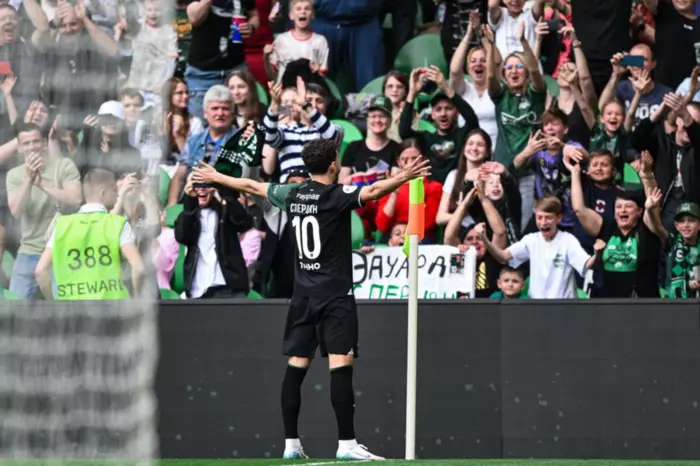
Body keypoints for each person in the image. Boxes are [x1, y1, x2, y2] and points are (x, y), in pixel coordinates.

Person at [191, 138, 430, 460]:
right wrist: (405, 176)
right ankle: (346, 444)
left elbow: (250, 185)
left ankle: (291, 445)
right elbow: (373, 191)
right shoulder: (336, 195)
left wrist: (217, 177)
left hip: (302, 296)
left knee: (296, 367)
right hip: (335, 296)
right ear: (333, 164)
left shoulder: (293, 193)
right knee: (340, 366)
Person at [34, 168, 145, 300]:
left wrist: (53, 302)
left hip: (72, 307)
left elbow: (40, 271)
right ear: (103, 193)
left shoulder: (62, 225)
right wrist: (137, 298)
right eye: (114, 190)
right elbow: (139, 267)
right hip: (113, 306)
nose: (117, 194)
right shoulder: (118, 223)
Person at [7, 122, 82, 299]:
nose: (32, 147)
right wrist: (28, 180)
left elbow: (76, 200)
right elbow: (16, 211)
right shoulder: (14, 175)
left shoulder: (64, 165)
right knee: (14, 307)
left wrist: (42, 184)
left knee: (64, 306)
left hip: (62, 250)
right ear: (19, 148)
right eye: (26, 143)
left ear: (44, 142)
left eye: (36, 141)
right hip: (29, 249)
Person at [480, 195, 604, 299]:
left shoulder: (568, 240)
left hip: (564, 307)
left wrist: (597, 254)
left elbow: (587, 264)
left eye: (548, 218)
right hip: (536, 307)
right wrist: (484, 239)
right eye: (539, 217)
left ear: (559, 218)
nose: (543, 222)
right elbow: (503, 257)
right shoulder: (531, 240)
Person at [174, 174, 252, 299]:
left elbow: (245, 223)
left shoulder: (225, 211)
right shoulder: (188, 215)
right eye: (197, 184)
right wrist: (189, 202)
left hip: (229, 288)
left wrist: (224, 190)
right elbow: (182, 237)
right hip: (198, 289)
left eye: (206, 184)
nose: (201, 189)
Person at [184, 0, 259, 119]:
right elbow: (194, 18)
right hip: (203, 74)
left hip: (235, 70)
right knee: (200, 123)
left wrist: (251, 27)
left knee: (243, 121)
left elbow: (254, 15)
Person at [262, 77, 340, 183]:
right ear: (298, 106)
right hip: (289, 189)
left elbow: (332, 137)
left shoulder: (334, 128)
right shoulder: (285, 130)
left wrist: (306, 105)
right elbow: (270, 138)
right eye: (309, 100)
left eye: (319, 100)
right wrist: (274, 106)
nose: (313, 105)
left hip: (319, 189)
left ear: (326, 107)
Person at [599, 45, 673, 130]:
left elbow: (671, 126)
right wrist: (615, 75)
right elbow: (601, 108)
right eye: (634, 60)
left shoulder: (665, 93)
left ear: (653, 64)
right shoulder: (621, 88)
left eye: (643, 60)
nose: (638, 64)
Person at [339, 95, 401, 185]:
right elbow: (341, 183)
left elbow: (397, 181)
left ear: (390, 120)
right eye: (373, 116)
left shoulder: (396, 148)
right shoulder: (353, 147)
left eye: (382, 116)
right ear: (367, 119)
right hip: (356, 193)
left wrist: (385, 178)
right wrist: (359, 177)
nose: (377, 120)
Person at [264, 0, 329, 81]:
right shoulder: (281, 40)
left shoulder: (320, 41)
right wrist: (266, 57)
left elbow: (322, 76)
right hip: (286, 87)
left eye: (307, 9)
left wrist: (317, 71)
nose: (303, 12)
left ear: (312, 15)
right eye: (298, 9)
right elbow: (272, 75)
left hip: (310, 87)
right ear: (291, 15)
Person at [660, 202, 700, 298]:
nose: (686, 225)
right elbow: (656, 227)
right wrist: (650, 209)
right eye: (682, 221)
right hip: (673, 302)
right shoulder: (671, 242)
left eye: (691, 220)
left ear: (699, 225)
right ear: (677, 226)